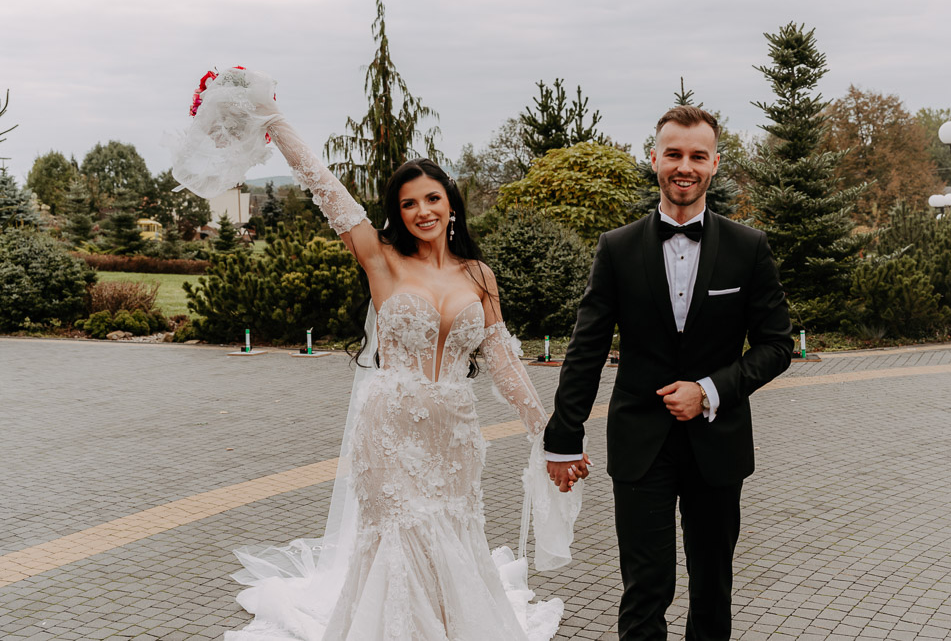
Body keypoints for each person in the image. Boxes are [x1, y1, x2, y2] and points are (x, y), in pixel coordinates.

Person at [169, 68, 582, 641]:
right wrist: (273, 121)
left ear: (451, 203)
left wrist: (550, 434)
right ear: (398, 212)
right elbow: (324, 186)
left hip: (456, 435)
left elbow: (504, 360)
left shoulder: (479, 275)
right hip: (390, 429)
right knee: (400, 537)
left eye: (433, 198)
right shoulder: (381, 259)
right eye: (409, 203)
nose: (423, 211)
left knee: (454, 534)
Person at [544, 105, 793, 640]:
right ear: (654, 157)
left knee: (712, 588)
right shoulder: (617, 248)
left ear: (715, 164)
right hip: (640, 444)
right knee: (645, 588)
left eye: (698, 156)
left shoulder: (749, 248)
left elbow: (777, 346)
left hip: (718, 443)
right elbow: (586, 349)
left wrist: (709, 390)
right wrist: (563, 437)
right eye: (674, 154)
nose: (685, 166)